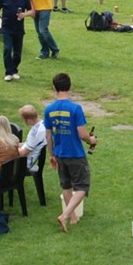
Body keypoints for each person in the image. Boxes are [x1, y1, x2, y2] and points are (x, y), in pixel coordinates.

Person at [43, 73, 96, 232]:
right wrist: (91, 141)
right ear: (70, 86)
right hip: (75, 154)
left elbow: (48, 135)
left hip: (59, 154)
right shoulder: (75, 109)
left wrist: (51, 155)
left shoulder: (49, 109)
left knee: (66, 186)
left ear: (54, 88)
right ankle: (65, 215)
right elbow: (82, 134)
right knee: (82, 187)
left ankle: (73, 219)